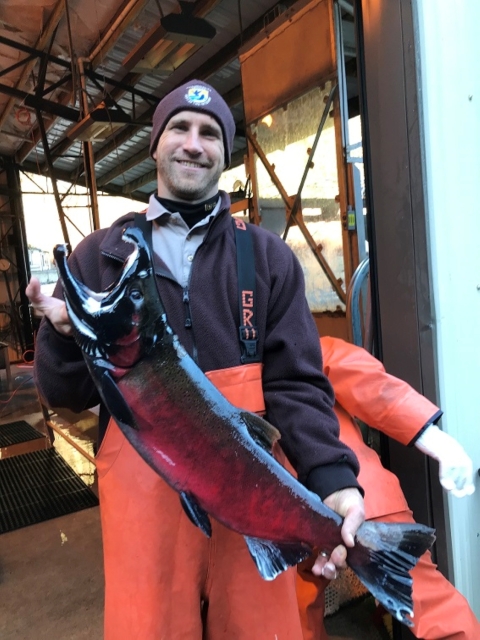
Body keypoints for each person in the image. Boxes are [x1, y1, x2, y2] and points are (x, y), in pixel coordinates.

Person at [26, 80, 365, 640]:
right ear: (155, 146)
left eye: (210, 133)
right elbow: (62, 397)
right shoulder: (99, 258)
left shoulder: (266, 256)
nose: (193, 142)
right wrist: (64, 338)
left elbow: (297, 384)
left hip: (251, 499)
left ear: (223, 156)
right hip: (146, 510)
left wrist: (332, 477)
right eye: (179, 128)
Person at [297, 335, 479, 640]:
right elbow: (370, 383)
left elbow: (370, 384)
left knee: (289, 616)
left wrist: (434, 440)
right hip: (357, 497)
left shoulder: (280, 351)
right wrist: (436, 441)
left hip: (298, 509)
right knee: (429, 606)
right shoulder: (303, 344)